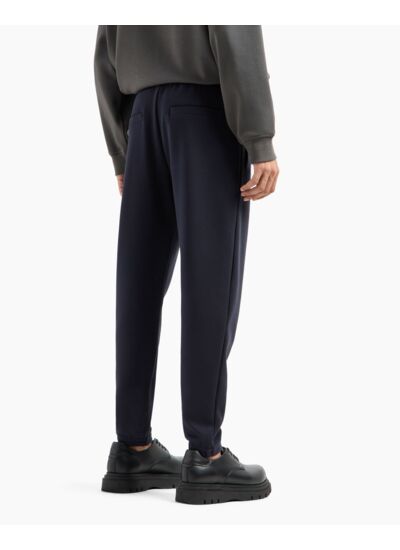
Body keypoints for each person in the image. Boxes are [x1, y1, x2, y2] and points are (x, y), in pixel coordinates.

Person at [94, 25, 279, 505]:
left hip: (141, 116)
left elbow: (106, 51)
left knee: (138, 281)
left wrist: (122, 150)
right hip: (204, 113)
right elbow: (234, 33)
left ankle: (133, 447)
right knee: (211, 281)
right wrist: (259, 139)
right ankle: (206, 454)